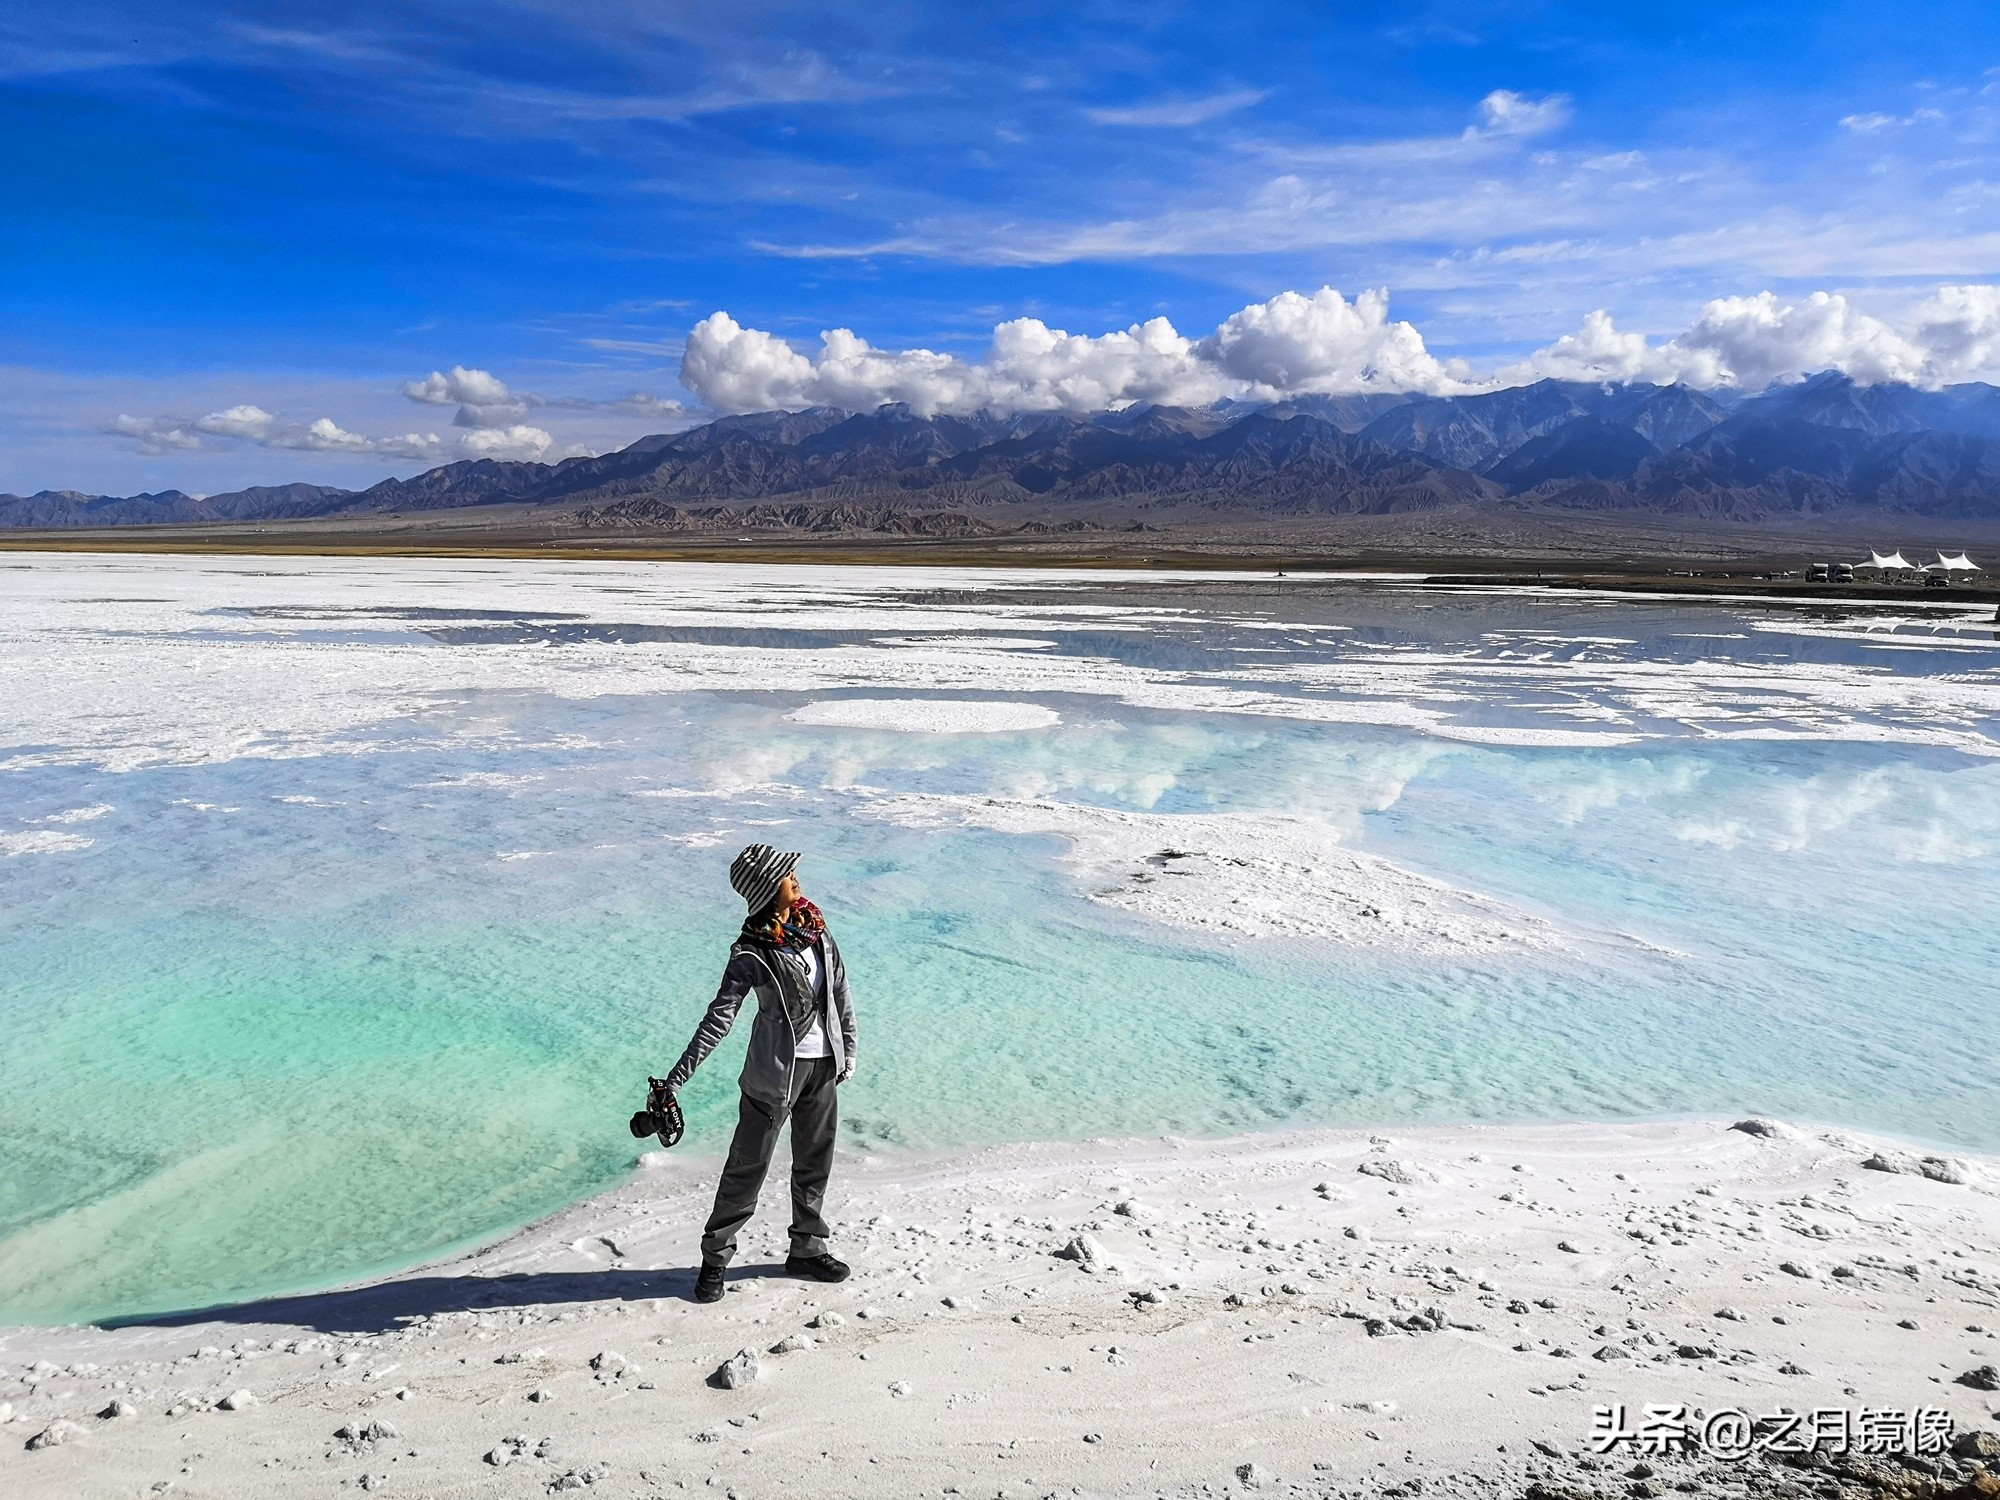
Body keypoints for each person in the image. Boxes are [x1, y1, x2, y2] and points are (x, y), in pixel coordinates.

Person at [663, 844, 857, 1304]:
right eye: (788, 875)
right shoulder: (751, 951)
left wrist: (848, 1050)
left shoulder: (818, 931)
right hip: (771, 1080)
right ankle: (714, 1260)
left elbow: (841, 993)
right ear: (770, 889)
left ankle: (807, 1250)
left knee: (815, 1163)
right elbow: (720, 1017)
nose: (797, 879)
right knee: (745, 1172)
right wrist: (676, 1079)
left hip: (822, 1068)